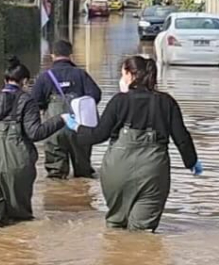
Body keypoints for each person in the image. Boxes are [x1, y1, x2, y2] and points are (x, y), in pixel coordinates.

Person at [67, 56, 201, 232]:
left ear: (129, 75)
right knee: (142, 232)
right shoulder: (166, 102)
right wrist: (191, 162)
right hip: (152, 171)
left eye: (122, 73)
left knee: (116, 224)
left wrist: (76, 127)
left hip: (117, 171)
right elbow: (181, 138)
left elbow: (98, 135)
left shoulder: (118, 101)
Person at [0, 56, 68, 228]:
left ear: (5, 79)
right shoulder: (26, 100)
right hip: (16, 163)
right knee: (19, 222)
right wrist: (61, 119)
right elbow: (35, 133)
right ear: (25, 81)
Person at [31, 39, 102, 179]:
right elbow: (95, 96)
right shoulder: (80, 74)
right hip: (79, 128)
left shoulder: (44, 77)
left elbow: (34, 103)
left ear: (52, 55)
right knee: (84, 175)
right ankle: (82, 197)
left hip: (54, 129)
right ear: (71, 55)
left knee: (55, 175)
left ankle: (57, 198)